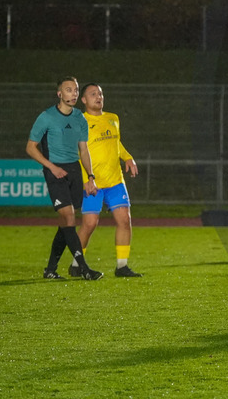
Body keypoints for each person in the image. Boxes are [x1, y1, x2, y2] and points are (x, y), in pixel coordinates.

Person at [26, 77, 103, 280]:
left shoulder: (80, 118)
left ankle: (50, 270)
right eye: (69, 90)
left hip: (74, 171)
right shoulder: (46, 117)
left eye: (76, 90)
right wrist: (52, 167)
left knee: (65, 223)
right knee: (69, 218)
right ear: (59, 94)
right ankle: (84, 268)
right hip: (55, 171)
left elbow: (83, 150)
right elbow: (30, 148)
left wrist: (91, 177)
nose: (74, 93)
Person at [67, 83, 142, 278]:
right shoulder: (80, 122)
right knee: (89, 224)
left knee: (125, 220)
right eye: (93, 94)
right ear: (84, 100)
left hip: (115, 181)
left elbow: (116, 143)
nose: (98, 96)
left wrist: (127, 157)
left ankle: (122, 266)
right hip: (93, 183)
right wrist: (87, 180)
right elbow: (77, 154)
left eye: (100, 93)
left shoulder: (113, 118)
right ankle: (76, 264)